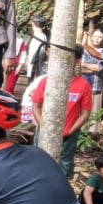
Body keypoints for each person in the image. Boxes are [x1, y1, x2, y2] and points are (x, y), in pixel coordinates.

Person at [32, 44, 92, 178]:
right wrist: (43, 125)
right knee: (38, 162)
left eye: (69, 58)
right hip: (44, 132)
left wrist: (72, 129)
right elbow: (36, 105)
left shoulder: (83, 85)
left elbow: (85, 113)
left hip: (69, 134)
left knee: (64, 166)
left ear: (77, 61)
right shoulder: (46, 82)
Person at [80, 29, 103, 134]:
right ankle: (81, 131)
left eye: (99, 37)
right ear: (91, 37)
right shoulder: (83, 50)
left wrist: (84, 65)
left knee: (94, 110)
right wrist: (90, 67)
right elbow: (79, 68)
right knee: (82, 109)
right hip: (83, 86)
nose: (97, 39)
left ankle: (92, 133)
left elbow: (99, 68)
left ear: (102, 39)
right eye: (95, 36)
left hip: (96, 86)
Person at [20, 15, 48, 82]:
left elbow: (34, 56)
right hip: (39, 69)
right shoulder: (44, 36)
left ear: (33, 24)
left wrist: (31, 74)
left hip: (35, 70)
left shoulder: (36, 39)